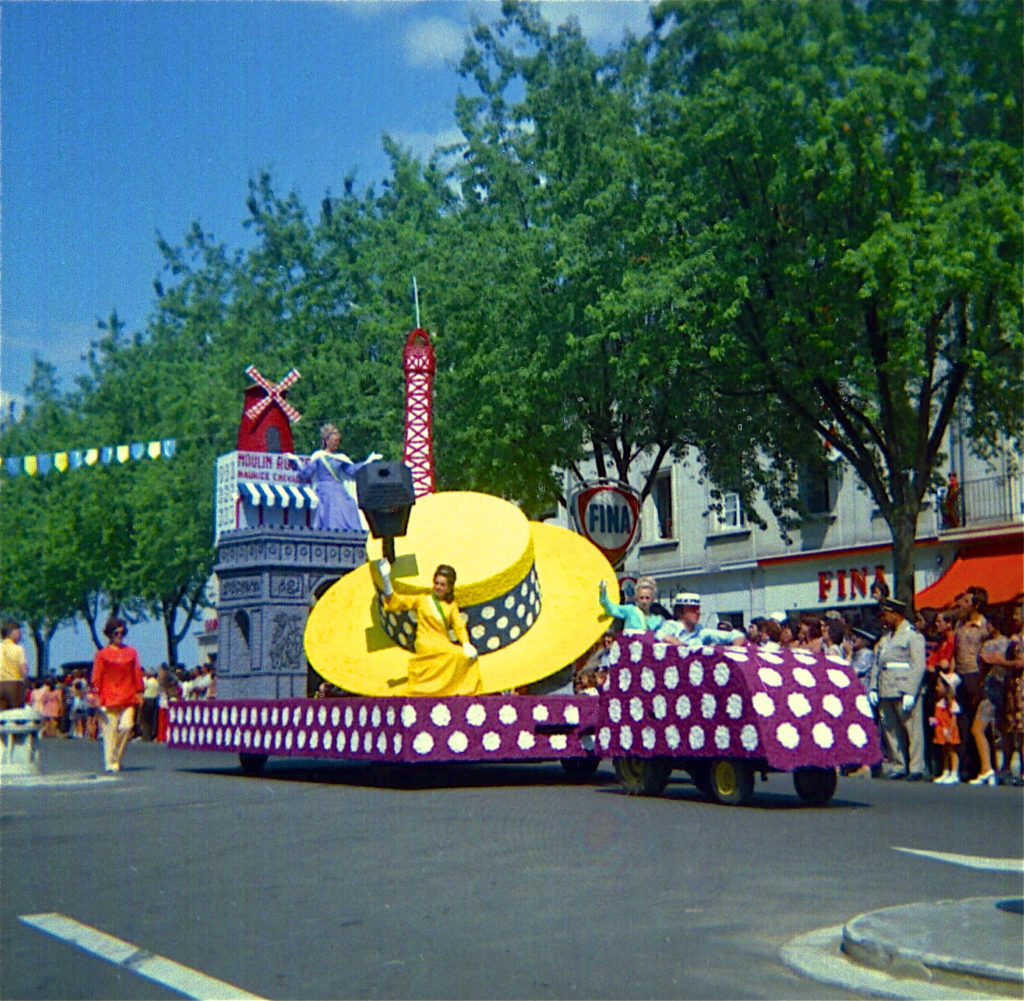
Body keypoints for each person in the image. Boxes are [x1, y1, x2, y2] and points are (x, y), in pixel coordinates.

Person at [376, 560, 481, 696]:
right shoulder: (423, 600)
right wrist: (386, 580)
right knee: (453, 654)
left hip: (442, 642)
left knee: (464, 656)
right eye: (436, 583)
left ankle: (456, 689)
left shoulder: (451, 606)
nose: (438, 587)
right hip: (425, 642)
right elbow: (397, 601)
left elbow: (459, 626)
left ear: (449, 588)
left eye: (442, 585)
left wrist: (466, 643)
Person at [869, 597, 927, 780]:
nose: (884, 619)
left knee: (912, 729)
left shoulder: (912, 635)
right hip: (886, 688)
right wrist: (873, 688)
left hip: (903, 687)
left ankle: (916, 767)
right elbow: (877, 665)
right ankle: (898, 764)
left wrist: (911, 691)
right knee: (890, 728)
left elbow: (918, 666)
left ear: (896, 614)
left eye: (886, 615)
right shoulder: (885, 639)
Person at [293, 423, 382, 532]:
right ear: (327, 441)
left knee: (350, 503)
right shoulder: (319, 456)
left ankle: (349, 532)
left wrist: (368, 462)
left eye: (338, 440)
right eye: (335, 440)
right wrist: (296, 463)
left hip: (338, 488)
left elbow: (352, 470)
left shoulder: (341, 458)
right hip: (325, 489)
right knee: (331, 507)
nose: (337, 443)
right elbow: (306, 472)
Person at [91, 617, 144, 773]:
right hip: (108, 698)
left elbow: (136, 673)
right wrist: (95, 695)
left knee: (127, 727)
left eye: (122, 633)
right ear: (109, 634)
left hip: (128, 696)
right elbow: (96, 678)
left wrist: (140, 692)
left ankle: (115, 758)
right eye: (116, 633)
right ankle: (111, 763)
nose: (119, 636)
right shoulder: (102, 654)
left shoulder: (131, 652)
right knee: (110, 732)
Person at [656, 592, 744, 648]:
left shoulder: (701, 632)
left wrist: (735, 649)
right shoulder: (672, 626)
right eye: (693, 609)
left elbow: (736, 635)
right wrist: (679, 645)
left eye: (698, 608)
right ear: (680, 611)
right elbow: (660, 635)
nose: (697, 612)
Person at [598, 576, 664, 634]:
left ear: (653, 599)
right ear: (636, 598)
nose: (644, 601)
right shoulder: (630, 610)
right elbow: (611, 608)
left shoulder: (657, 621)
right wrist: (603, 592)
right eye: (641, 598)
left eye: (647, 598)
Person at [930, 670, 962, 784]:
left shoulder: (952, 703)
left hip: (949, 730)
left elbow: (953, 718)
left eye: (939, 685)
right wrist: (935, 721)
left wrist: (950, 730)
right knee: (945, 751)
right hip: (941, 729)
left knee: (952, 751)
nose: (937, 688)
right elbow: (939, 717)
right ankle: (946, 771)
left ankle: (954, 773)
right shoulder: (940, 703)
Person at [0, 619, 28, 711]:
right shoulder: (18, 648)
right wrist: (25, 681)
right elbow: (23, 669)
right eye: (18, 633)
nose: (20, 635)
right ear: (11, 633)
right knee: (16, 713)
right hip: (15, 684)